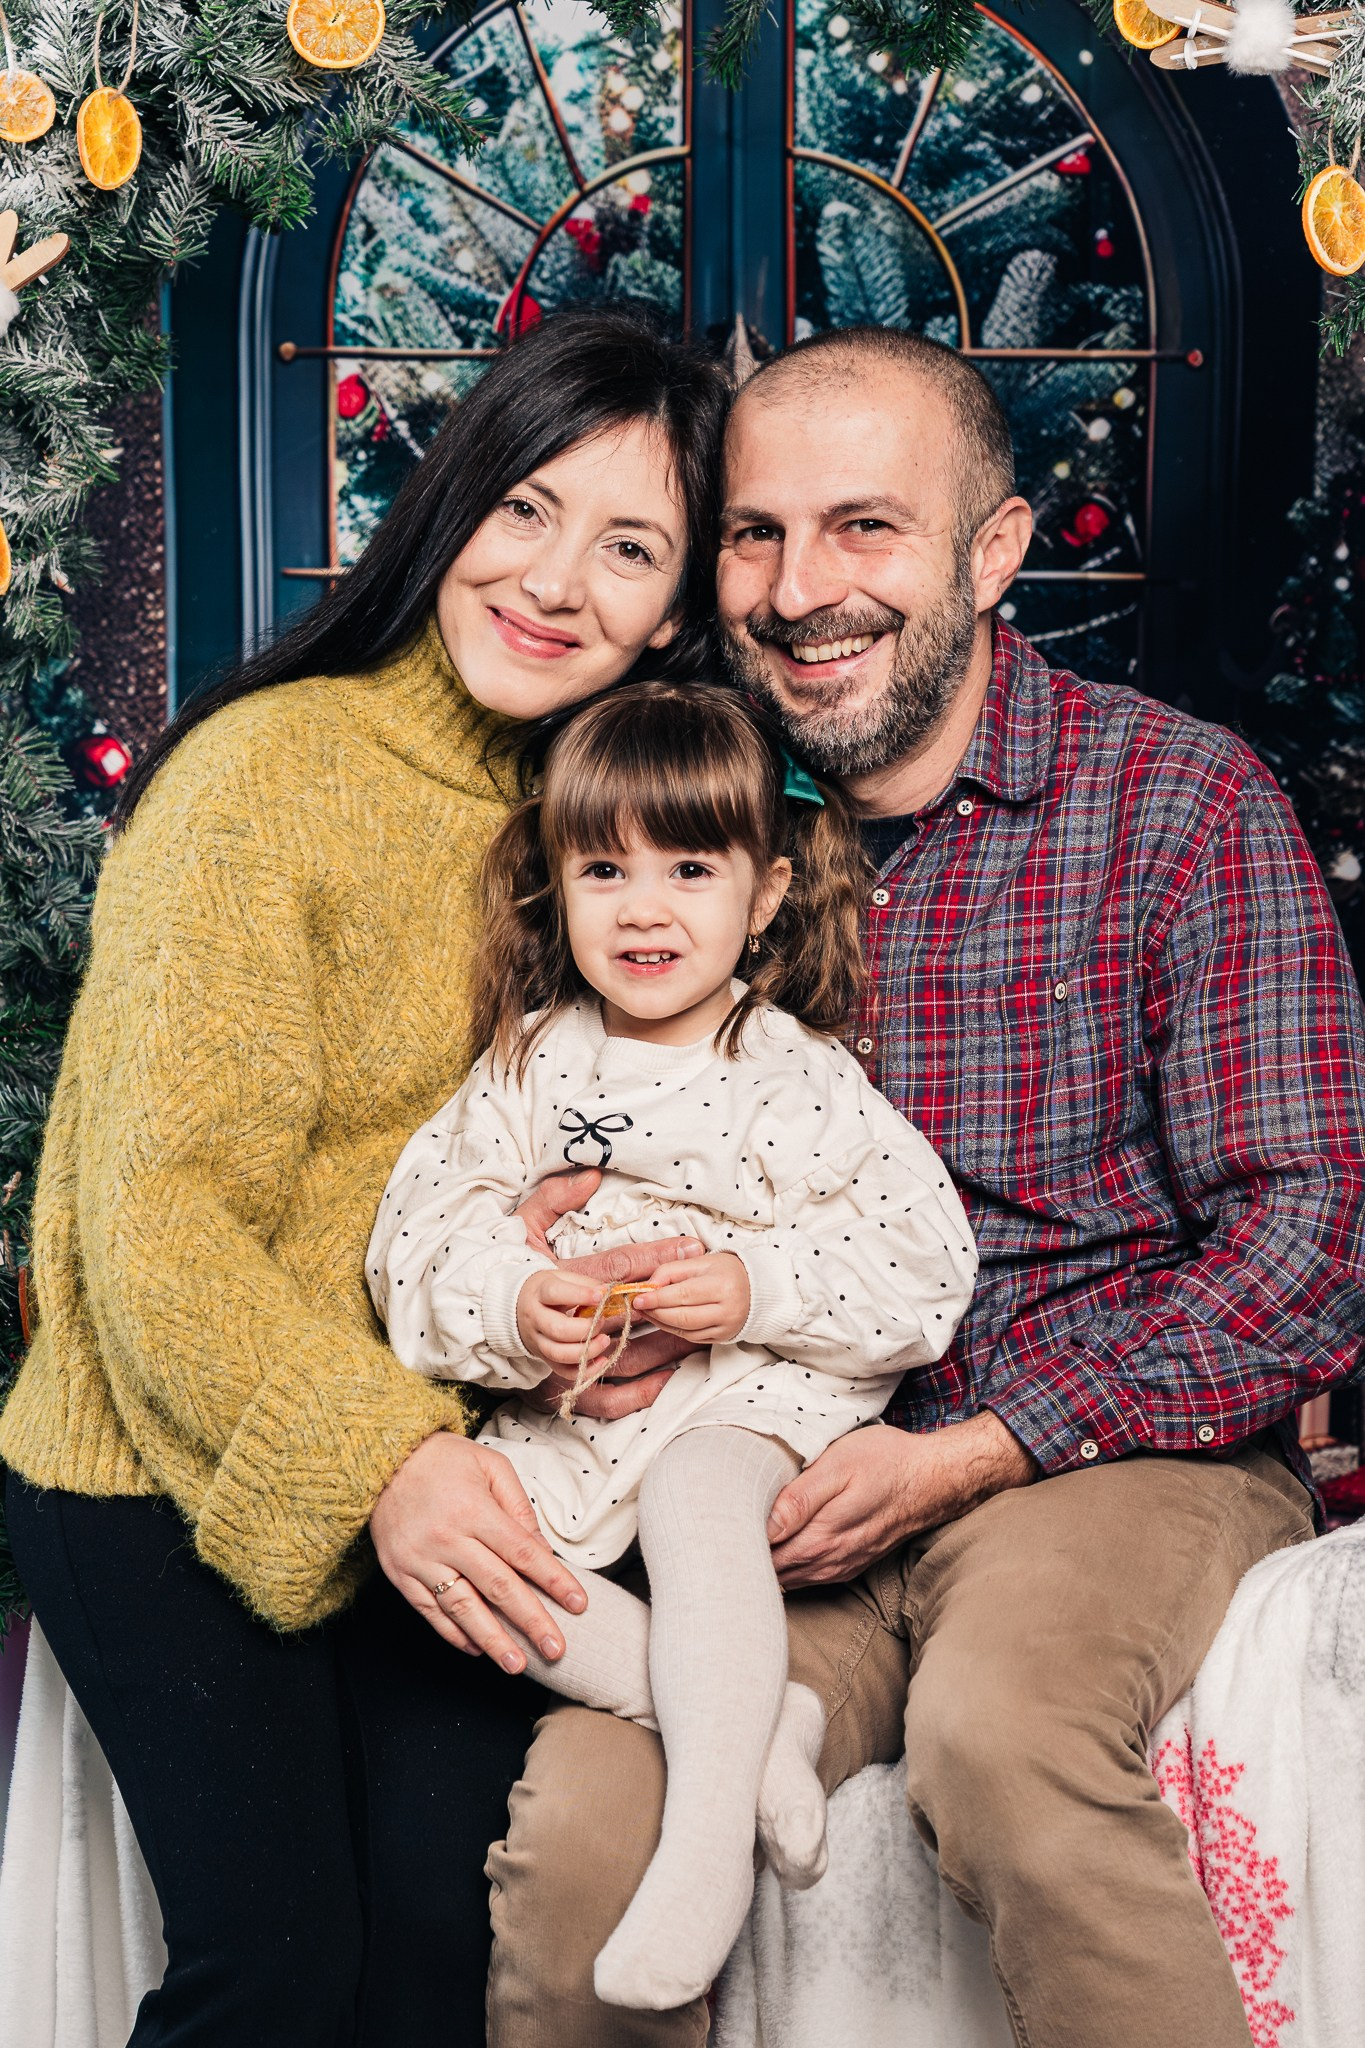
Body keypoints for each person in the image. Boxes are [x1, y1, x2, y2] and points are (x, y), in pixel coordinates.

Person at [483, 327, 1365, 2048]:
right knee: (588, 1837)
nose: (798, 589)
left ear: (992, 551)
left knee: (1001, 1743)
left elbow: (1310, 1240)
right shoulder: (682, 815)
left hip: (1097, 1456)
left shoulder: (1177, 805)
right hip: (760, 1473)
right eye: (754, 534)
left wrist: (977, 1448)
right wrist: (542, 1247)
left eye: (863, 528)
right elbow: (536, 1116)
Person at [0, 307, 730, 2048]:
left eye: (628, 547)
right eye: (526, 507)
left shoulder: (596, 822)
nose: (554, 580)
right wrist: (384, 1458)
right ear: (451, 498)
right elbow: (157, 1227)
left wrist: (576, 1275)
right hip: (156, 1461)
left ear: (676, 606)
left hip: (438, 1445)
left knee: (444, 1954)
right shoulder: (268, 777)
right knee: (282, 1974)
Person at [368, 680, 977, 2009]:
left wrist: (754, 1286)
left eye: (690, 869)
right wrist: (516, 1300)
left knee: (701, 1494)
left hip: (746, 1396)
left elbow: (928, 1263)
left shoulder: (791, 1072)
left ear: (764, 894)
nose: (645, 908)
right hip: (575, 1423)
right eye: (606, 870)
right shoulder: (529, 1064)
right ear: (558, 886)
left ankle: (704, 1846)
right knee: (466, 1560)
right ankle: (753, 1726)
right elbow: (418, 1234)